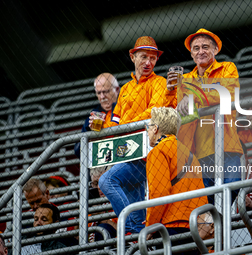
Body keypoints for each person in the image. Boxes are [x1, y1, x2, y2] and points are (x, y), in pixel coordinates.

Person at [165, 28, 243, 204]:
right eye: (196, 48)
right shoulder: (184, 80)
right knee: (207, 202)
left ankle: (222, 227)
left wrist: (192, 97)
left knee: (232, 186)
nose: (201, 51)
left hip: (226, 145)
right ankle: (217, 228)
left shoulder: (227, 68)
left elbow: (228, 93)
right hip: (197, 154)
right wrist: (170, 91)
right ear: (191, 54)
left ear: (215, 50)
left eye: (206, 47)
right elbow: (171, 111)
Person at [98, 36, 166, 234]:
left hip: (145, 153)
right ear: (132, 57)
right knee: (139, 221)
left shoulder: (159, 82)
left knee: (107, 181)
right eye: (144, 56)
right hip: (125, 151)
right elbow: (115, 121)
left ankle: (126, 227)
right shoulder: (126, 88)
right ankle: (139, 238)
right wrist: (107, 129)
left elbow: (155, 111)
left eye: (153, 58)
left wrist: (124, 126)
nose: (148, 62)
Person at [144, 107, 208, 255]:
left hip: (170, 227)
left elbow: (159, 192)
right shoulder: (189, 154)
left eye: (148, 127)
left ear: (155, 129)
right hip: (194, 226)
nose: (147, 131)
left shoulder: (158, 152)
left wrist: (150, 226)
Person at [74, 73, 120, 158]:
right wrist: (91, 134)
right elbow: (78, 151)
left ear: (117, 90)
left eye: (105, 91)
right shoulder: (94, 116)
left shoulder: (126, 109)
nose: (102, 96)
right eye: (99, 93)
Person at [88, 168, 117, 243]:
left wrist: (102, 218)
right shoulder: (94, 207)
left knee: (104, 228)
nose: (98, 187)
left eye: (103, 181)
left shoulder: (125, 198)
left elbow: (128, 234)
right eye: (96, 183)